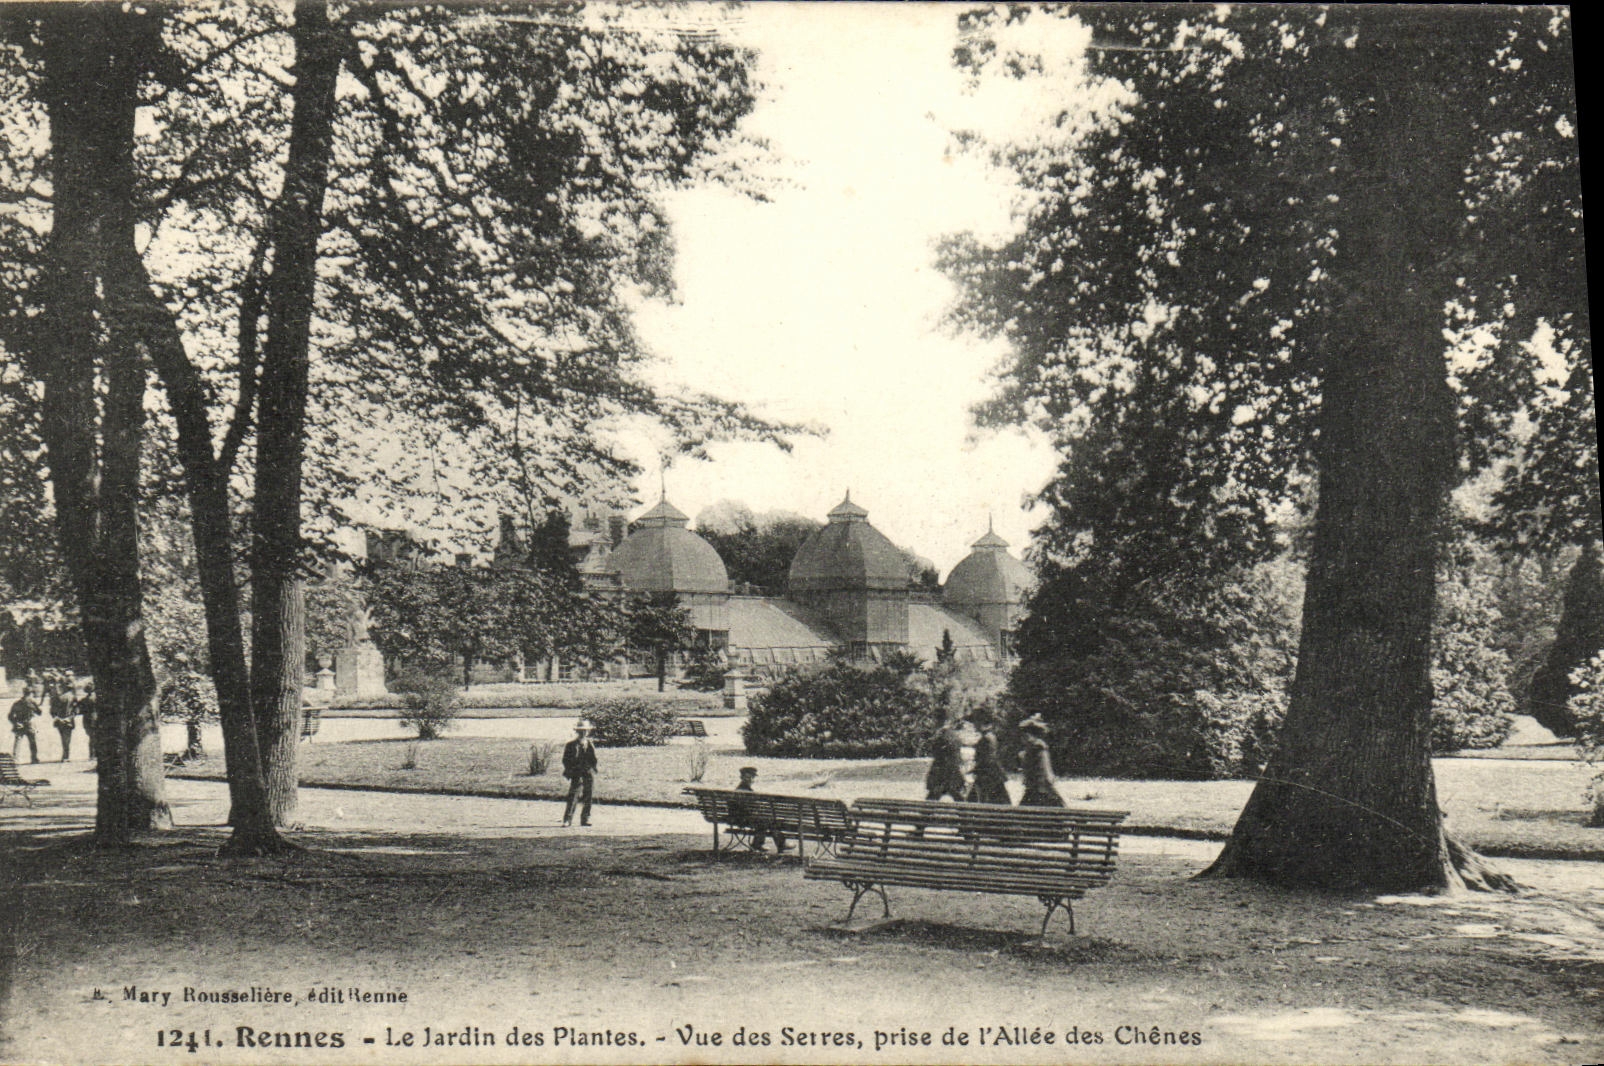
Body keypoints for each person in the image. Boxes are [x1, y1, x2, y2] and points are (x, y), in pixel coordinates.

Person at [734, 766, 788, 853]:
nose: (751, 779)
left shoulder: (737, 790)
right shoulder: (745, 792)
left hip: (737, 818)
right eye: (749, 777)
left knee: (766, 821)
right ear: (742, 778)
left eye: (752, 777)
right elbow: (750, 809)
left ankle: (758, 844)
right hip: (744, 819)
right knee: (768, 821)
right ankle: (781, 844)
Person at [1017, 714, 1066, 808]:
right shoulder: (1032, 750)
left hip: (1038, 791)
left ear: (1030, 735)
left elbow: (1046, 772)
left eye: (1024, 735)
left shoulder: (1038, 750)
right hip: (1038, 790)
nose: (1022, 738)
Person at [966, 707, 1011, 805]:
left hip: (988, 777)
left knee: (985, 803)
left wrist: (976, 768)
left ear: (981, 721)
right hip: (989, 776)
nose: (973, 725)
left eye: (975, 721)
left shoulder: (987, 738)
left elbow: (989, 759)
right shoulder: (988, 737)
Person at [561, 719, 598, 826]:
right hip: (576, 772)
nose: (584, 733)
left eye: (586, 730)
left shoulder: (590, 744)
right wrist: (570, 770)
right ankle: (567, 819)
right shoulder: (571, 745)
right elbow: (565, 760)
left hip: (588, 772)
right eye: (581, 731)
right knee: (573, 795)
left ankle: (585, 818)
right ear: (577, 731)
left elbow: (593, 758)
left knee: (588, 795)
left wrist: (592, 768)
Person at [924, 716, 969, 802]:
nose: (932, 722)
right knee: (956, 796)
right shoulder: (953, 735)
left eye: (933, 719)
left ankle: (925, 815)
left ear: (938, 721)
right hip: (952, 772)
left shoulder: (942, 735)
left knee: (933, 797)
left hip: (942, 773)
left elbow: (936, 753)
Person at [9, 682, 43, 764]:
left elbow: (10, 715)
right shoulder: (31, 702)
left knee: (18, 741)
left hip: (19, 723)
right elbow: (39, 712)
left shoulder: (17, 703)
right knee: (32, 741)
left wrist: (15, 723)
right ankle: (34, 758)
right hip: (29, 723)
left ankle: (15, 759)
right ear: (31, 693)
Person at [49, 676, 76, 762]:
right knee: (67, 739)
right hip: (69, 720)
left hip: (59, 721)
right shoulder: (72, 697)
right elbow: (76, 710)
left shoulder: (56, 698)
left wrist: (57, 718)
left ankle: (65, 756)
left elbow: (52, 710)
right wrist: (70, 718)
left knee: (63, 738)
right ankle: (66, 756)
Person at [77, 679, 98, 764]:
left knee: (91, 737)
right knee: (95, 737)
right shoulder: (96, 698)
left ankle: (92, 754)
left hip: (86, 719)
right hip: (95, 718)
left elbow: (80, 711)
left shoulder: (83, 700)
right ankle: (94, 754)